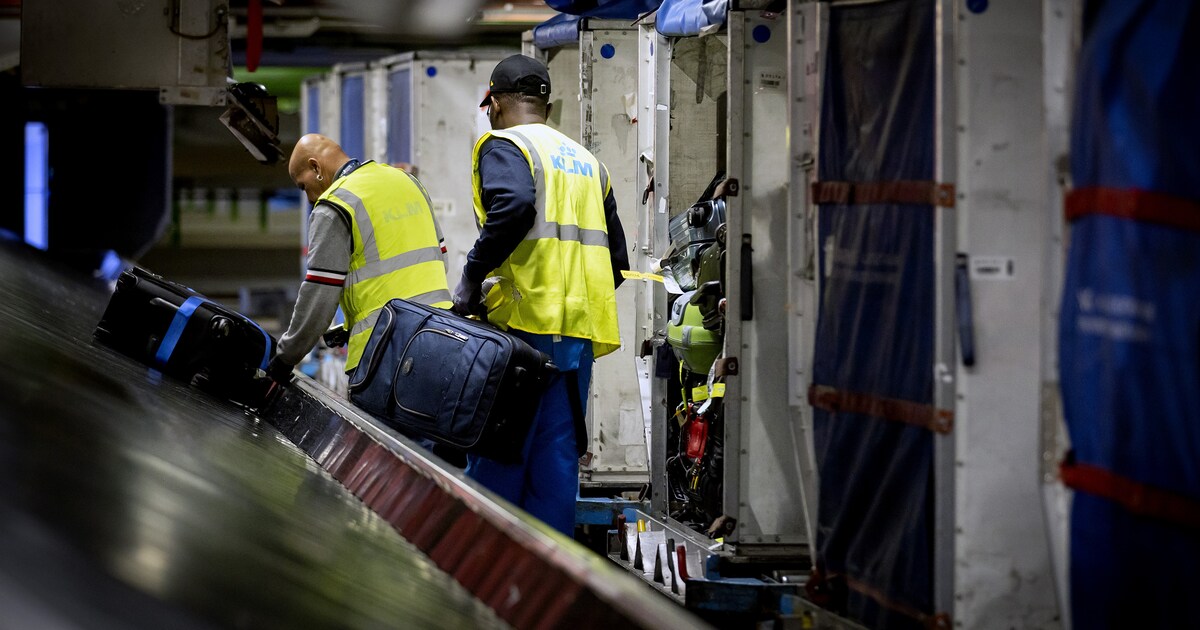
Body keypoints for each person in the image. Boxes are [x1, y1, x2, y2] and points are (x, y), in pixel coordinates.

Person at [452, 54, 629, 536]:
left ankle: (488, 573)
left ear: (498, 103)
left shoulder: (504, 145)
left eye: (489, 106)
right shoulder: (589, 163)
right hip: (576, 337)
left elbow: (514, 205)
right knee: (555, 465)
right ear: (546, 106)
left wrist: (473, 276)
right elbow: (618, 263)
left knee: (499, 457)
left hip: (520, 333)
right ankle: (546, 582)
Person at [267, 133, 451, 383]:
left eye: (303, 185)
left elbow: (319, 297)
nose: (309, 197)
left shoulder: (334, 205)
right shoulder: (407, 181)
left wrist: (284, 358)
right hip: (445, 341)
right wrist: (347, 328)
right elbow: (439, 261)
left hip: (383, 357)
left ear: (315, 167)